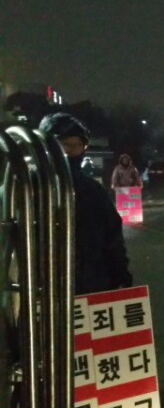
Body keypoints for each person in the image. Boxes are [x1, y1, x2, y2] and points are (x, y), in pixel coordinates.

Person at [40, 113, 133, 295]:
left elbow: (112, 238)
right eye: (65, 144)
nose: (71, 151)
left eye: (78, 145)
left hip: (93, 288)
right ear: (47, 146)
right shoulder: (25, 186)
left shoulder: (93, 190)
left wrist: (120, 274)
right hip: (41, 292)